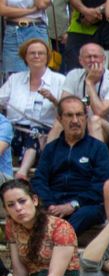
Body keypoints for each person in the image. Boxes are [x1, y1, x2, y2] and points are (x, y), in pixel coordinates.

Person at [30, 94, 109, 233]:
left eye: (79, 115)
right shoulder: (51, 148)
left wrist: (73, 204)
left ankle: (59, 240)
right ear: (60, 119)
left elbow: (102, 184)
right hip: (54, 203)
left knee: (86, 214)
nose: (75, 120)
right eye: (69, 115)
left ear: (85, 118)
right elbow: (39, 180)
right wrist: (51, 204)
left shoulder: (98, 148)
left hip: (85, 205)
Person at [1, 37, 65, 175]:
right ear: (25, 57)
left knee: (34, 133)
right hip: (15, 131)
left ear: (47, 57)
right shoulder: (15, 79)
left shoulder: (59, 80)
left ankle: (22, 172)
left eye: (40, 53)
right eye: (32, 53)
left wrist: (53, 99)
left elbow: (68, 110)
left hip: (43, 133)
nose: (36, 56)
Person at [60, 41, 109, 151]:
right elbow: (63, 105)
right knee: (60, 121)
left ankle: (96, 162)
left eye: (96, 56)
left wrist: (90, 83)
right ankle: (48, 161)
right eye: (88, 57)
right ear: (80, 60)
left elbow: (100, 112)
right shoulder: (74, 75)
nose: (92, 60)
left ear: (103, 59)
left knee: (95, 120)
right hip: (82, 123)